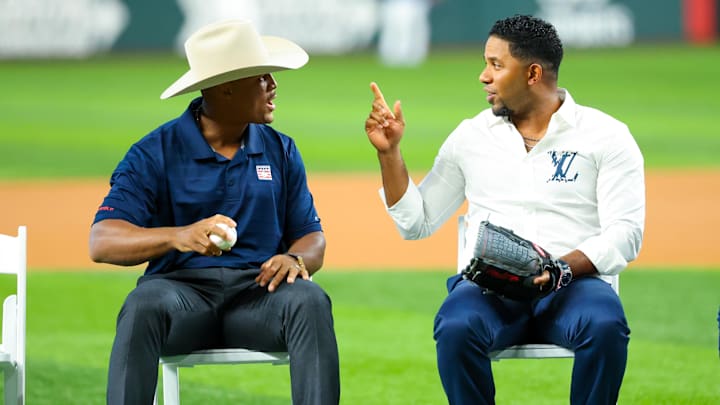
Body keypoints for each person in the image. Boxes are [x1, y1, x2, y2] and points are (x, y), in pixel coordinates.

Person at [364, 14, 645, 405]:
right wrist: (390, 154)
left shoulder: (607, 136)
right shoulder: (471, 137)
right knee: (456, 326)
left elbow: (625, 234)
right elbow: (417, 223)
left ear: (532, 73)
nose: (483, 75)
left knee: (605, 324)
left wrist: (560, 268)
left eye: (496, 65)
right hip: (489, 288)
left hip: (573, 285)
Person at [89, 20, 340, 405]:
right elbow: (102, 241)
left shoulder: (282, 149)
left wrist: (295, 257)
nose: (273, 84)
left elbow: (312, 237)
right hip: (180, 298)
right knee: (143, 304)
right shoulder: (153, 151)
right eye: (261, 77)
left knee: (310, 300)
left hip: (260, 298)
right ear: (226, 87)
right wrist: (178, 235)